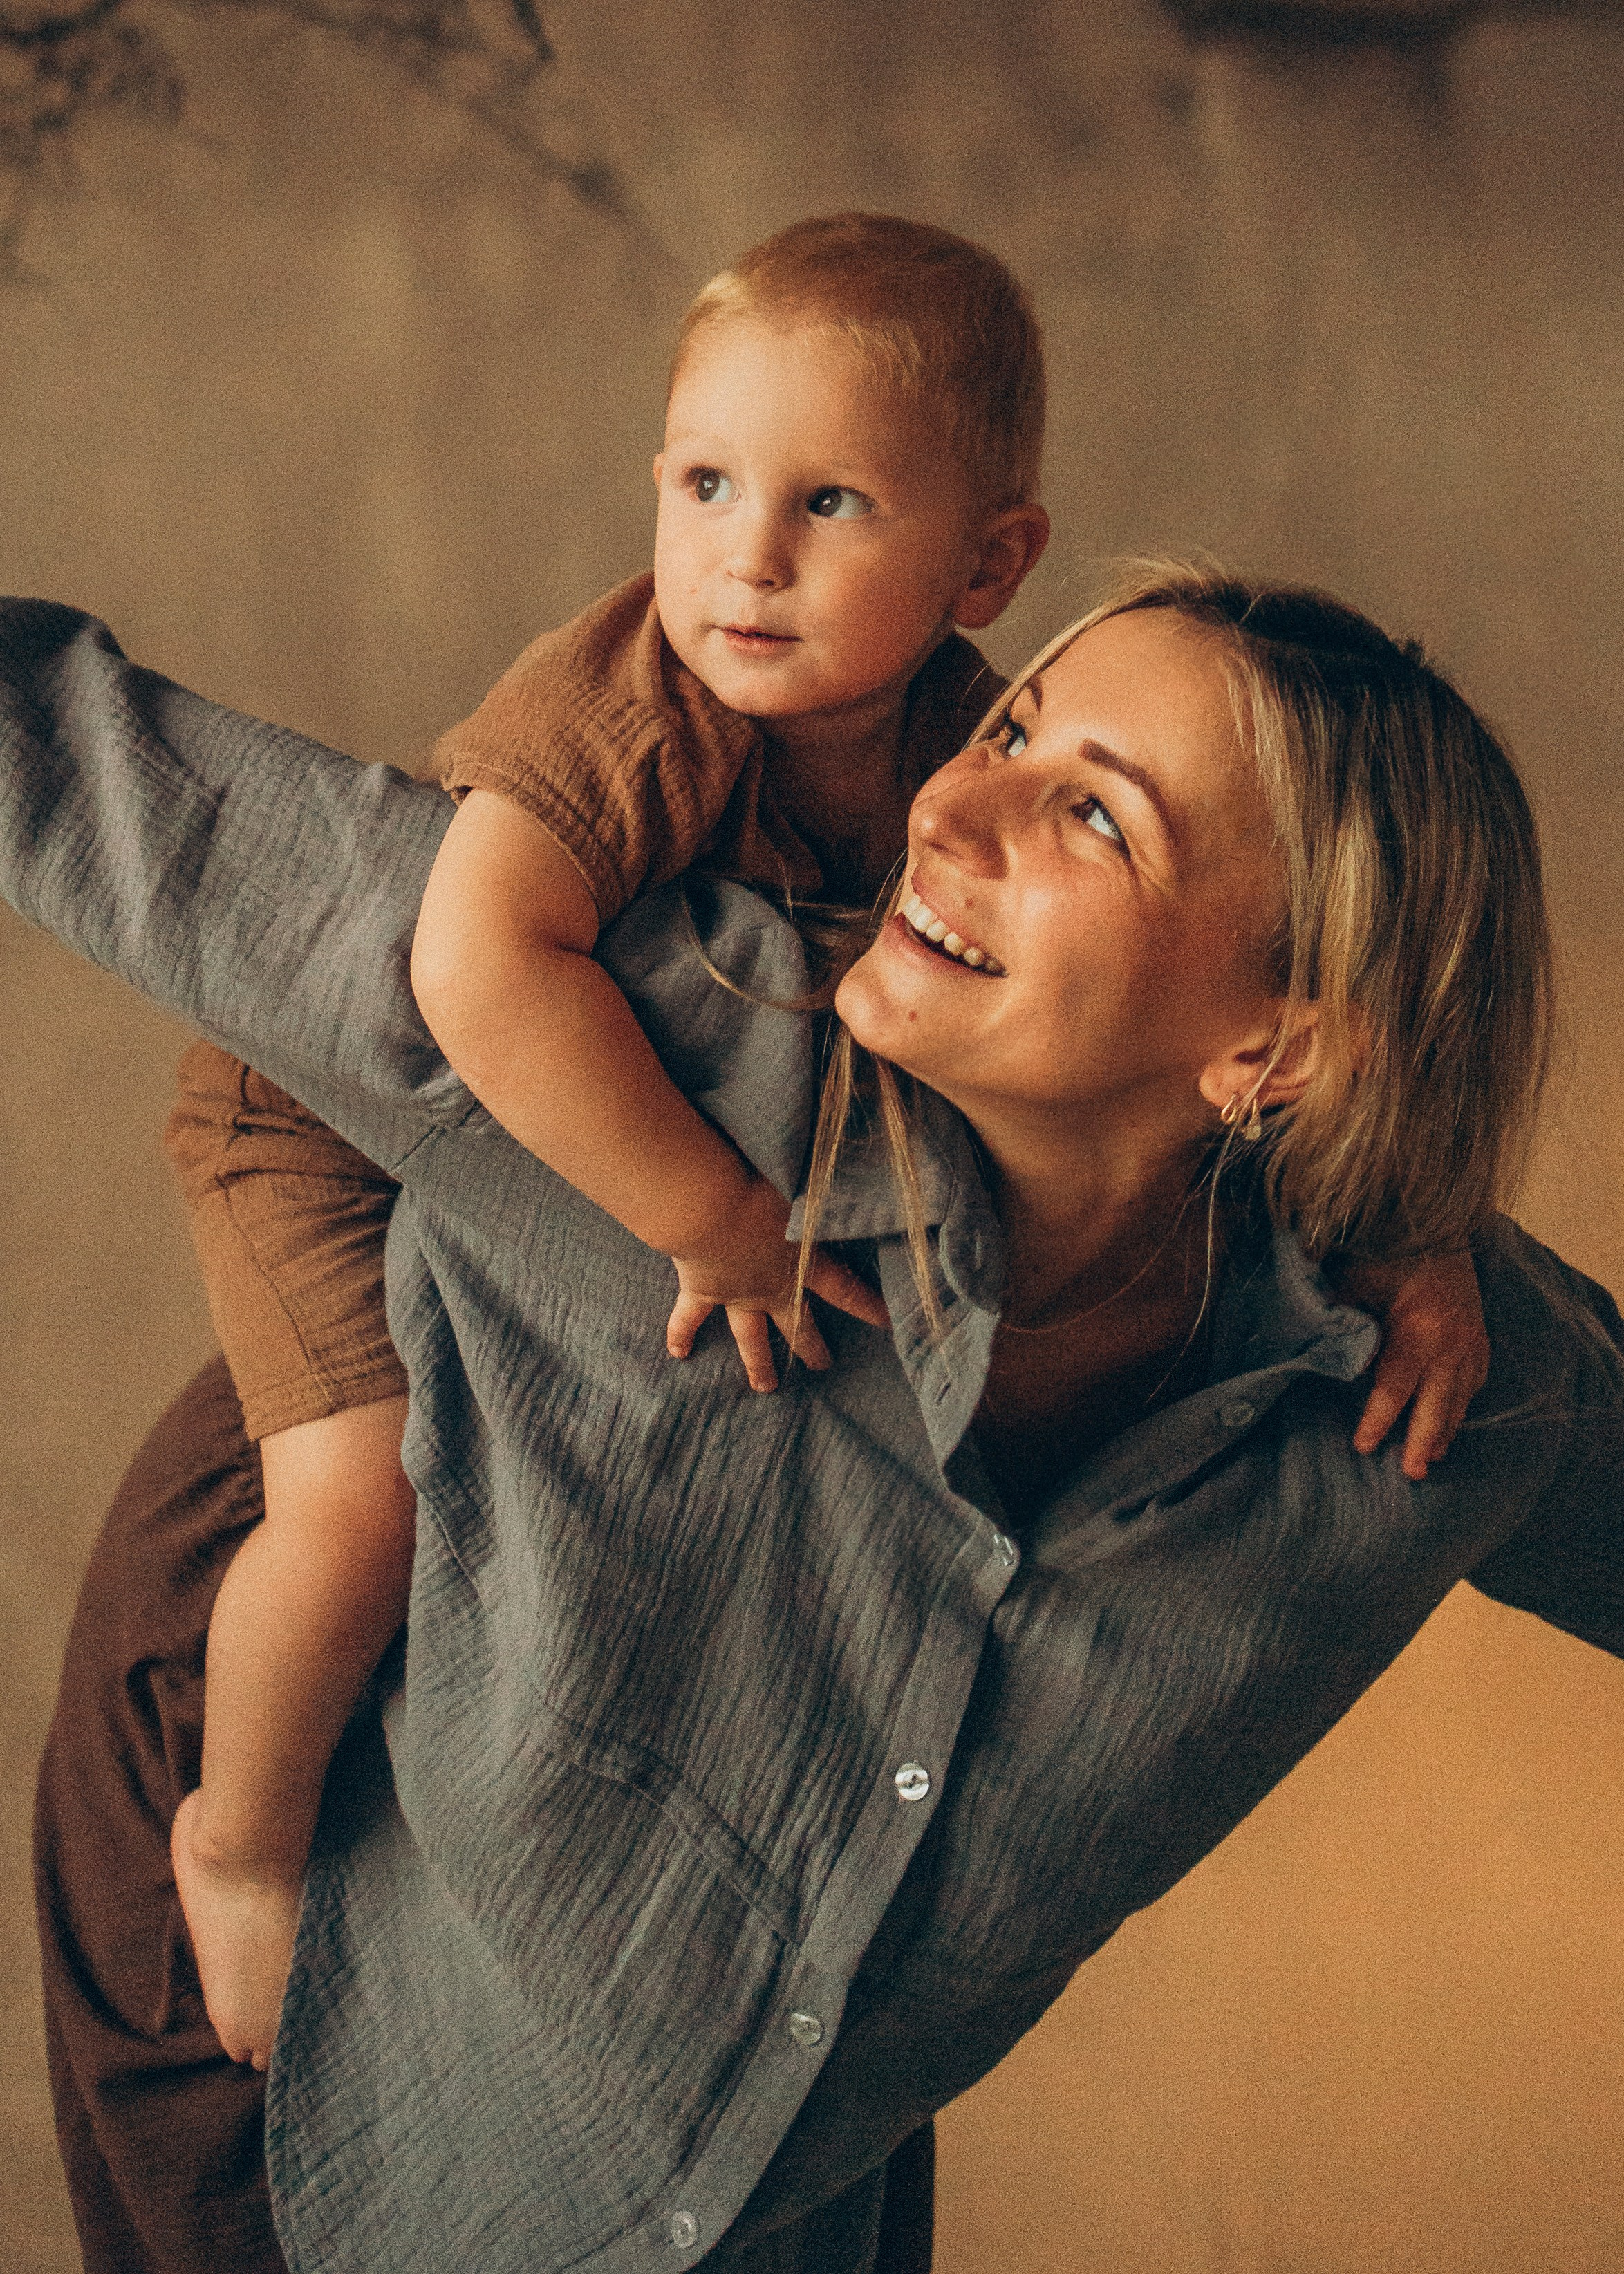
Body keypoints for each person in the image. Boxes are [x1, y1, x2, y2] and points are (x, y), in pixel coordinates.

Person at [12, 565, 1616, 2274]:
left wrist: (1422, 1219)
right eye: (1005, 727)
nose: (953, 807)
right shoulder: (667, 1045)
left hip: (734, 2109)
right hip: (297, 1897)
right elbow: (108, 782)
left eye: (1090, 812)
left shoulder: (1431, 1384)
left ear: (1272, 1051)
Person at [158, 216, 1487, 2078]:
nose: (742, 558)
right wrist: (714, 1216)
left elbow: (1265, 1076)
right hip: (334, 1118)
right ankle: (236, 1841)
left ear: (986, 563)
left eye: (830, 504)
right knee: (355, 1502)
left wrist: (1415, 1245)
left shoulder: (955, 745)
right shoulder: (635, 705)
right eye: (701, 483)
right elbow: (467, 969)